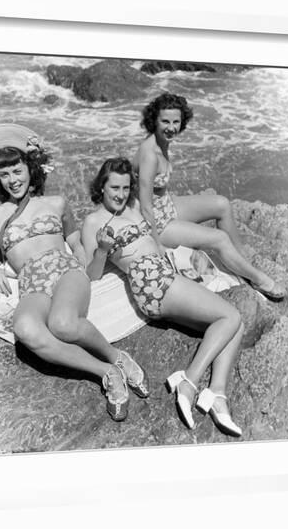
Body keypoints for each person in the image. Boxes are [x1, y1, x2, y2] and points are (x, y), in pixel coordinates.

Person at [0, 124, 149, 422]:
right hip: (30, 280)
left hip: (64, 269)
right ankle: (106, 371)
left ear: (30, 170)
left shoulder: (56, 203)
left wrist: (84, 260)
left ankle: (117, 356)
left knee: (63, 324)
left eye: (18, 171)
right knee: (25, 328)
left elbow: (73, 238)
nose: (13, 180)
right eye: (5, 174)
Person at [82, 157, 244, 436]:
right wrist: (102, 250)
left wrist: (181, 262)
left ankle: (217, 394)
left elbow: (156, 241)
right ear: (101, 188)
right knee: (231, 315)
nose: (120, 194)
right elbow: (92, 275)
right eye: (113, 189)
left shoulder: (133, 206)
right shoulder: (93, 222)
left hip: (167, 276)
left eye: (124, 188)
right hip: (151, 281)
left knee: (234, 327)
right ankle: (189, 381)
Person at [132, 92, 285, 300]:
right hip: (153, 223)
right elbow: (146, 207)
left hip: (165, 206)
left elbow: (157, 194)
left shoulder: (163, 142)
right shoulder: (149, 154)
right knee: (219, 238)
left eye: (176, 121)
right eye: (165, 121)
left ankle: (241, 260)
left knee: (221, 204)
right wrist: (157, 245)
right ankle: (258, 278)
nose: (171, 127)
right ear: (154, 120)